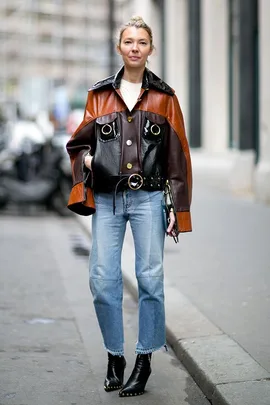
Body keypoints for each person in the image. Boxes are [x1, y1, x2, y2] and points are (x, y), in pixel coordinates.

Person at [66, 16, 192, 397]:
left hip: (150, 198)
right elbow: (78, 144)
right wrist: (89, 162)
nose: (135, 48)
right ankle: (114, 354)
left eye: (142, 42)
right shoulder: (99, 94)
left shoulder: (165, 98)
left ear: (151, 49)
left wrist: (177, 208)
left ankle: (144, 359)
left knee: (150, 280)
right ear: (119, 47)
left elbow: (178, 157)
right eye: (128, 41)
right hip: (107, 198)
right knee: (102, 280)